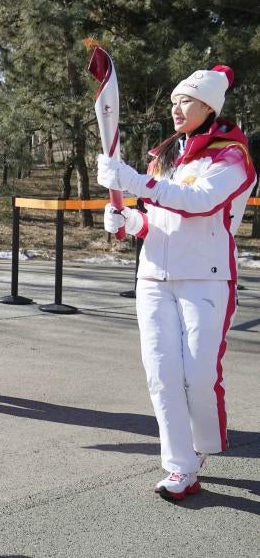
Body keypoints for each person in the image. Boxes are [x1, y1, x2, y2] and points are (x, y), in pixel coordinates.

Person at [97, 64, 255, 501]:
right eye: (173, 102)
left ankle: (203, 444)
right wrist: (127, 220)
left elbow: (199, 203)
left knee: (199, 375)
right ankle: (179, 466)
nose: (175, 109)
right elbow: (158, 222)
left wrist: (129, 179)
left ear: (209, 106)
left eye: (184, 101)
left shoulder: (232, 157)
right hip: (154, 278)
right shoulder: (166, 156)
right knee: (162, 374)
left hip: (206, 279)